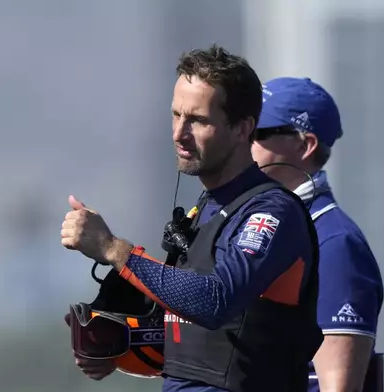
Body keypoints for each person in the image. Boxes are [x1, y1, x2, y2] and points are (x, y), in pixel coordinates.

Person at [60, 45, 323, 392]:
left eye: (197, 120)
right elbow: (193, 334)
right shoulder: (207, 208)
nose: (178, 134)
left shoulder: (271, 212)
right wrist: (116, 344)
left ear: (243, 128)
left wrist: (113, 249)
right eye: (176, 115)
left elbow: (217, 301)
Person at [250, 77, 384, 392]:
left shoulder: (336, 243)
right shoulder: (256, 225)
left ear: (305, 145)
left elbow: (337, 387)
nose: (243, 141)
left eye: (258, 132)